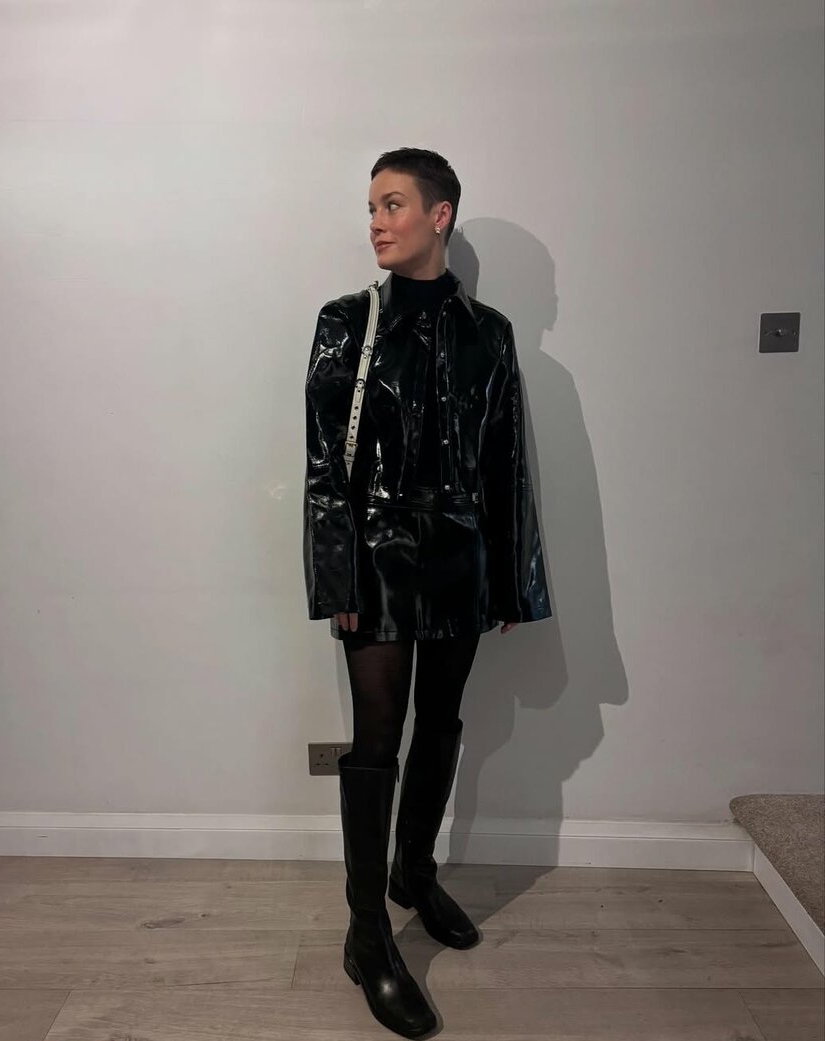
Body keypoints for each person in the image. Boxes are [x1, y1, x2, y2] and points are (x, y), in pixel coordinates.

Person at [302, 148, 551, 1039]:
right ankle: (367, 932)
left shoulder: (491, 332)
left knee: (441, 721)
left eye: (392, 203)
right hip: (374, 557)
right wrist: (337, 574)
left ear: (438, 215)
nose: (375, 221)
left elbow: (505, 460)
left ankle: (414, 871)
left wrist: (513, 578)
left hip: (460, 559)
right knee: (375, 743)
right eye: (371, 205)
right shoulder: (346, 321)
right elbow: (322, 465)